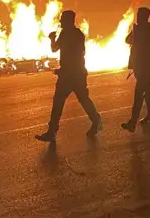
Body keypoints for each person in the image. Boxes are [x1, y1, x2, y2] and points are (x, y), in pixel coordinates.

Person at [35, 10, 103, 142]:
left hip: (73, 74)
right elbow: (55, 49)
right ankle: (95, 122)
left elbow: (70, 54)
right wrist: (53, 39)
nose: (60, 21)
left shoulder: (74, 35)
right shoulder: (68, 33)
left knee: (69, 101)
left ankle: (53, 131)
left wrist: (63, 70)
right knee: (72, 100)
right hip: (72, 73)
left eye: (62, 19)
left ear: (69, 21)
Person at [121, 7, 150, 132]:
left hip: (145, 66)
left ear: (145, 16)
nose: (137, 17)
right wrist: (134, 31)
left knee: (139, 93)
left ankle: (132, 122)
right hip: (139, 65)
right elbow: (127, 40)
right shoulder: (139, 30)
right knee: (146, 90)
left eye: (139, 15)